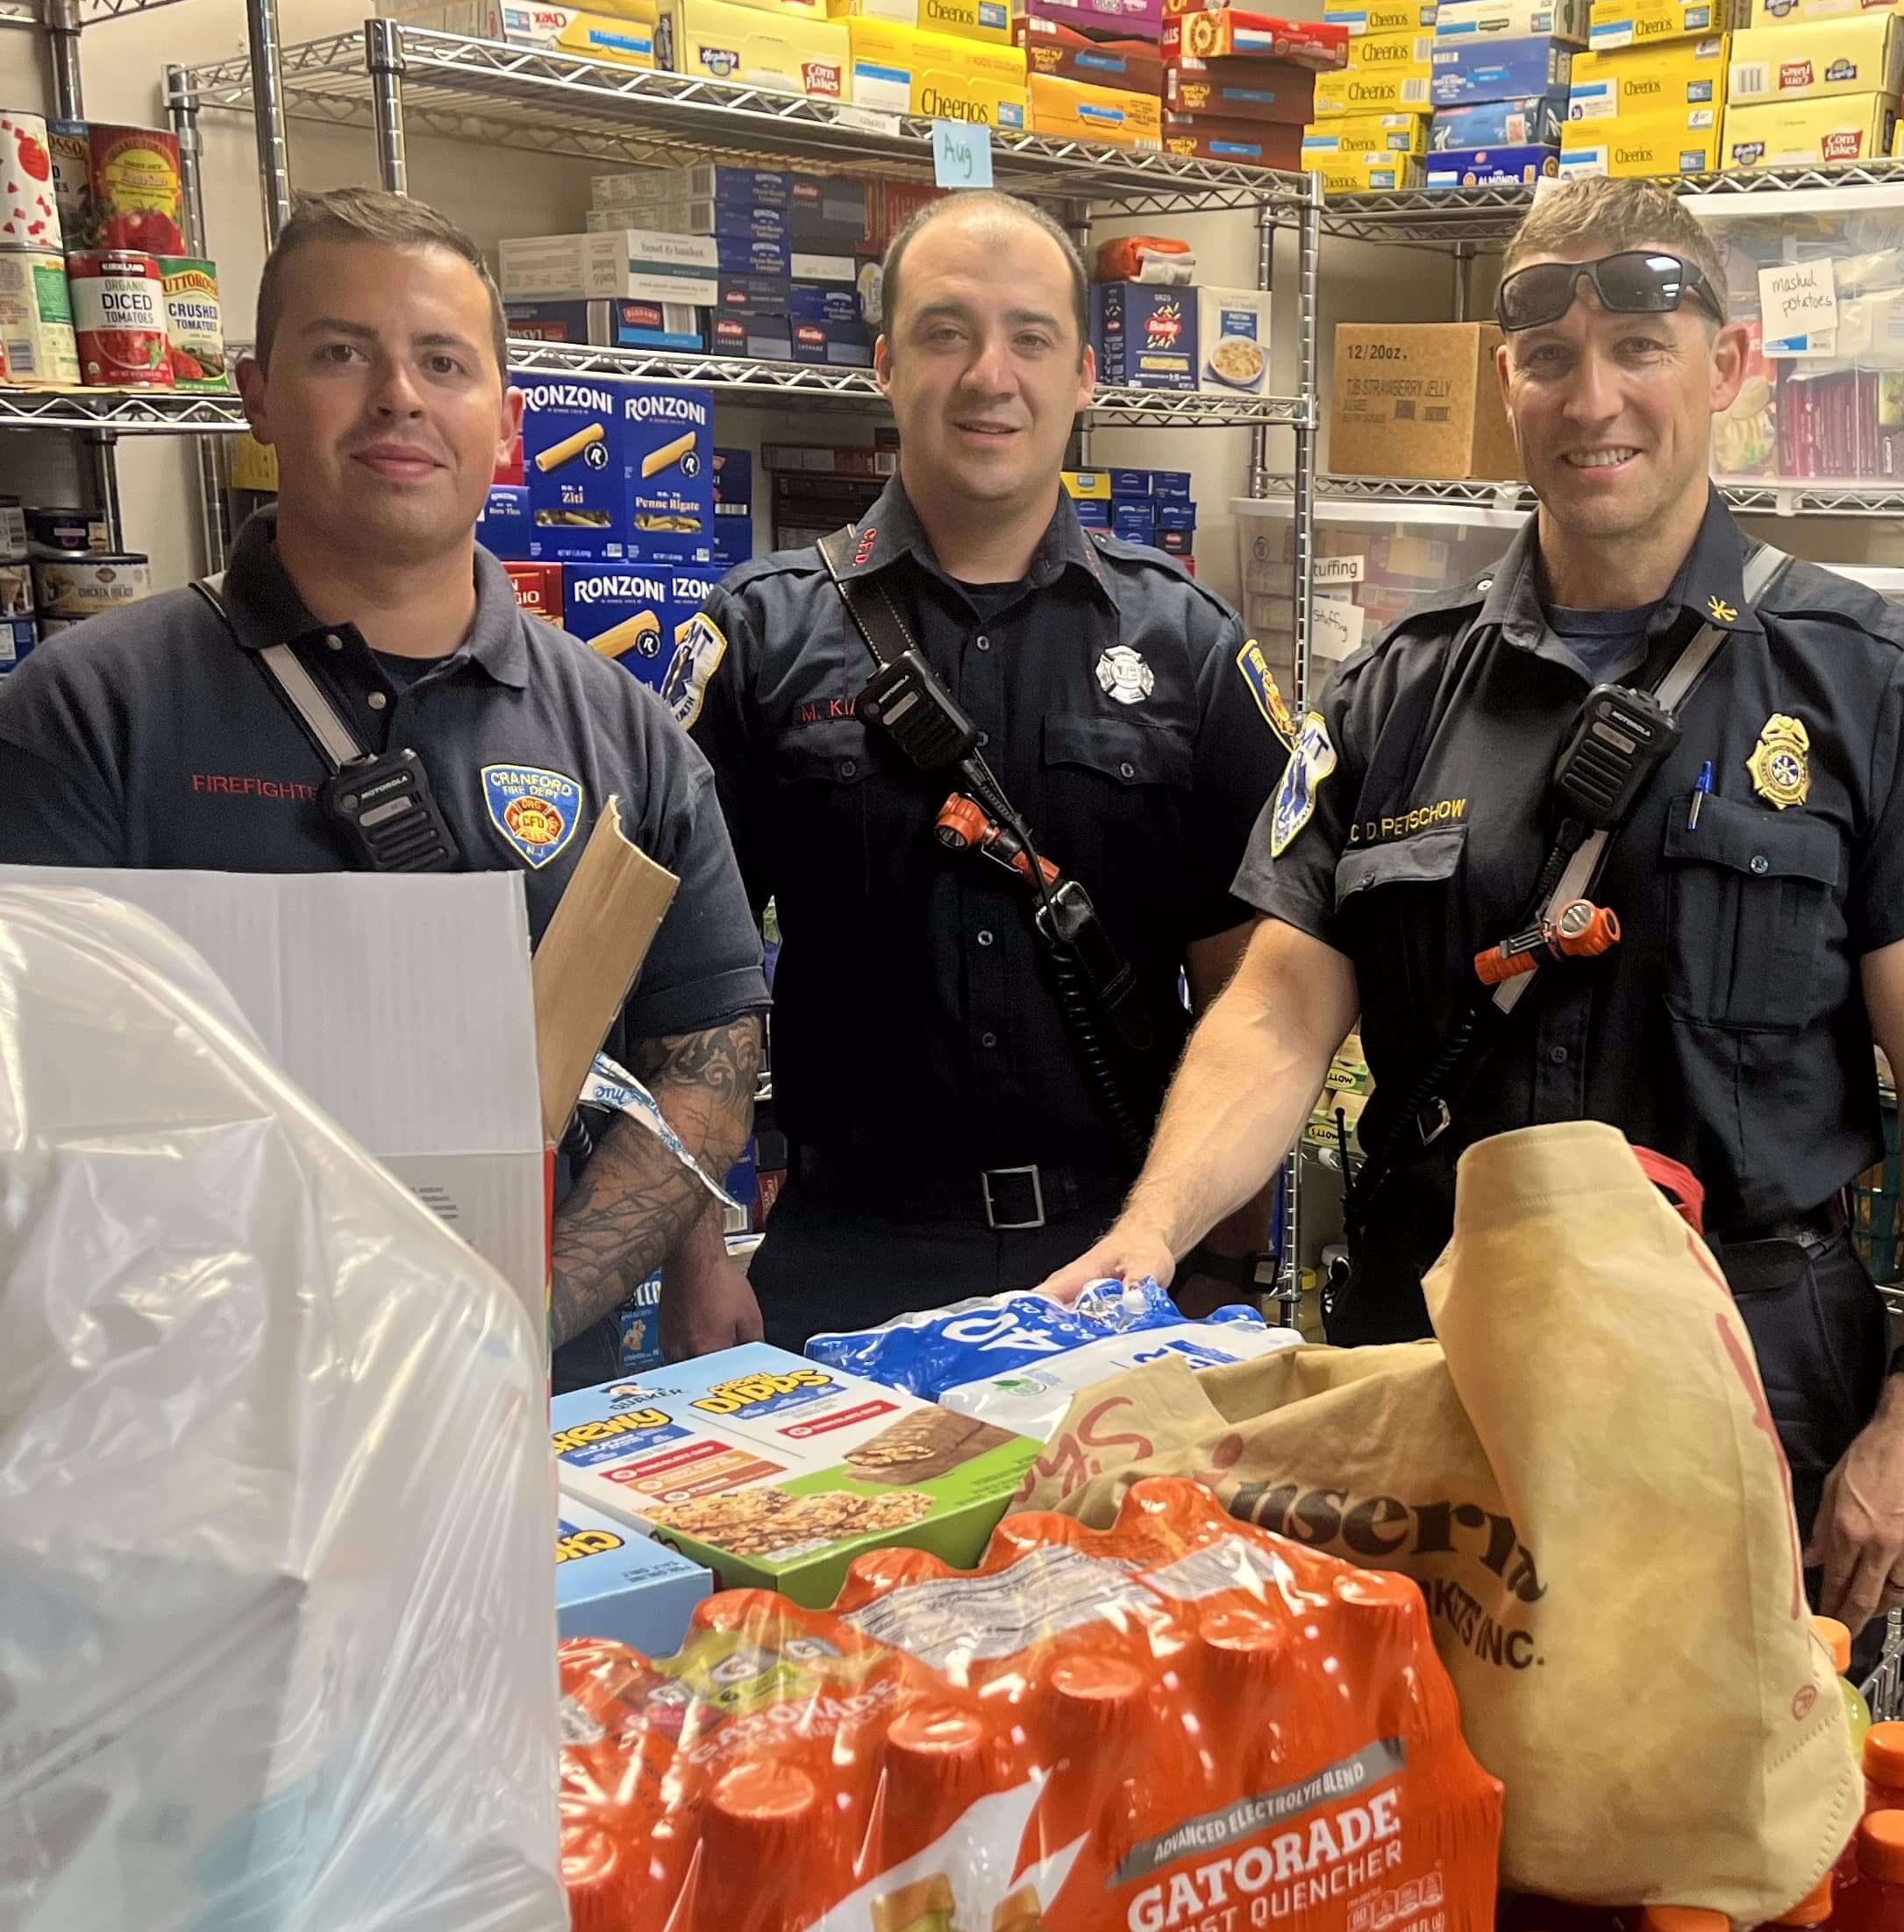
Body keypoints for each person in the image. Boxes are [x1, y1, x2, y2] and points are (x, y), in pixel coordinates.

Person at [1048, 174, 1904, 1630]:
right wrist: (1152, 1234)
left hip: (1743, 1365)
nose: (1597, 400)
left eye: (1640, 348)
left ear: (1731, 367)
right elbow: (1274, 1008)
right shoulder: (1397, 691)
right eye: (1554, 357)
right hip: (1434, 1352)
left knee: (1715, 1833)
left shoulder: (1876, 686)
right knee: (1423, 1810)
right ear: (1507, 382)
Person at [0, 182, 767, 1382]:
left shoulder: (627, 732)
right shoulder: (85, 714)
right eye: (342, 353)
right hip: (175, 1419)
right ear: (255, 393)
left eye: (442, 362)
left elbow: (709, 1055)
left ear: (506, 421)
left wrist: (523, 1305)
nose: (399, 396)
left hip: (522, 1404)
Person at [687, 188, 1291, 1348]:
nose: (988, 374)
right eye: (946, 331)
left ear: (1084, 377)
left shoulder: (1190, 646)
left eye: (1030, 337)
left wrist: (1225, 1263)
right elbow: (688, 992)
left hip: (1122, 1258)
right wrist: (699, 1248)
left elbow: (1252, 996)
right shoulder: (761, 636)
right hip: (845, 1258)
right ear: (884, 365)